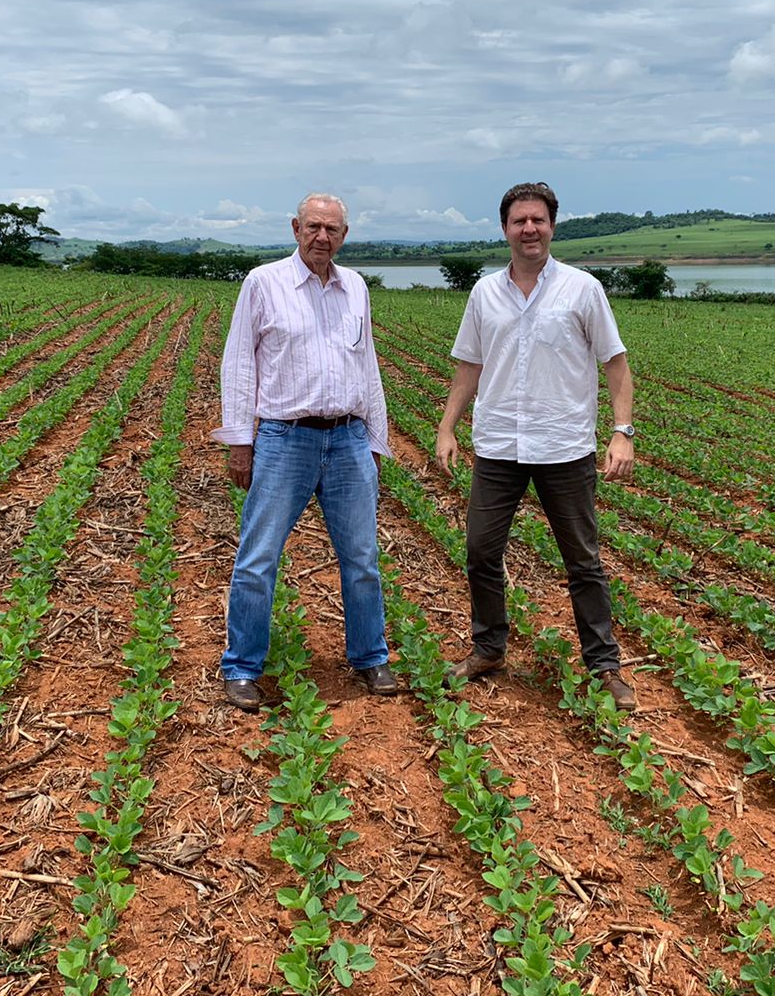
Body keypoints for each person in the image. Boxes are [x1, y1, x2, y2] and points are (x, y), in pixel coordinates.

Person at [434, 181, 638, 711]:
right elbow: (469, 366)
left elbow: (615, 365)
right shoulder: (484, 293)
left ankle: (603, 665)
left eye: (538, 220)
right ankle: (489, 648)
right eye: (520, 220)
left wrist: (622, 431)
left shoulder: (582, 289)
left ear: (552, 226)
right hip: (499, 444)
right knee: (481, 551)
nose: (529, 229)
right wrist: (446, 427)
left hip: (564, 446)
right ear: (505, 229)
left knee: (583, 561)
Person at [211, 192, 397, 711]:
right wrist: (239, 443)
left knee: (361, 557)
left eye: (332, 229)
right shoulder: (263, 283)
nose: (322, 237)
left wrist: (375, 441)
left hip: (347, 439)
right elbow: (238, 366)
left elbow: (368, 369)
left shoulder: (355, 287)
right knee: (258, 558)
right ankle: (243, 668)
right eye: (313, 226)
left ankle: (370, 658)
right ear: (296, 228)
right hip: (283, 438)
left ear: (344, 235)